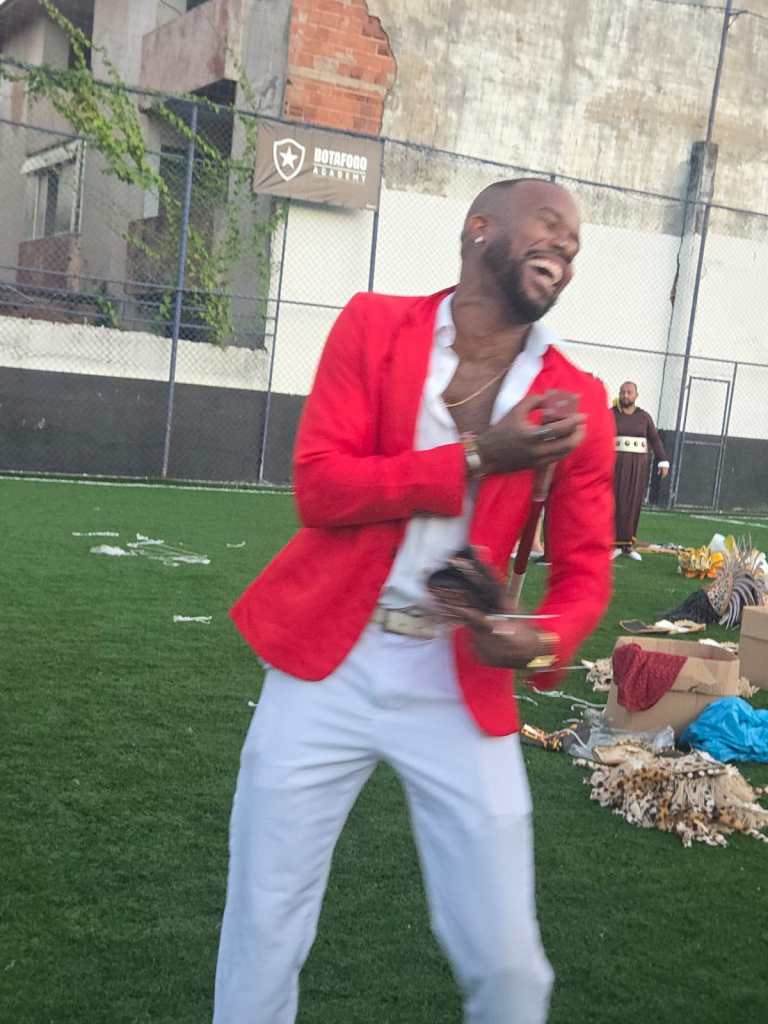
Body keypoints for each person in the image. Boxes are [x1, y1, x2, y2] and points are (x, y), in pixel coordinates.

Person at [213, 179, 615, 1024]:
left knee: (509, 964)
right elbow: (321, 488)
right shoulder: (373, 326)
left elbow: (585, 573)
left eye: (576, 243)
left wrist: (540, 641)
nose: (566, 245)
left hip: (458, 680)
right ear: (481, 229)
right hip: (329, 664)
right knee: (264, 924)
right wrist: (479, 455)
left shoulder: (576, 399)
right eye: (550, 224)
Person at [611, 381, 669, 561]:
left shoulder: (644, 417)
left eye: (629, 392)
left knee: (634, 502)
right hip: (615, 464)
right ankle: (613, 545)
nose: (625, 395)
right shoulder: (610, 414)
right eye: (622, 392)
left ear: (636, 395)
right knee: (616, 501)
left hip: (638, 466)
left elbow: (655, 439)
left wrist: (663, 461)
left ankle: (628, 545)